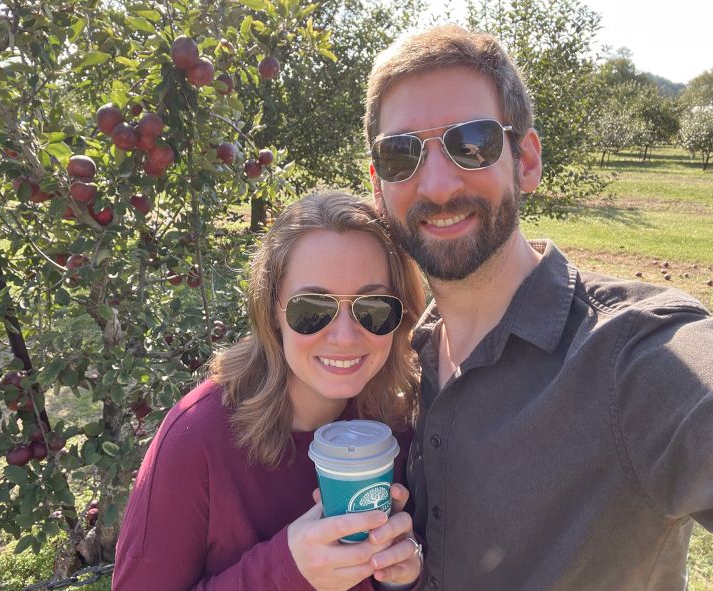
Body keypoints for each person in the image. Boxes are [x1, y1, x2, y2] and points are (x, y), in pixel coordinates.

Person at [365, 24, 713, 591]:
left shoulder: (633, 356)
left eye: (471, 143)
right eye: (401, 154)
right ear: (379, 187)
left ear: (525, 160)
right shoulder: (398, 359)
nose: (437, 185)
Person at [113, 191, 427, 590]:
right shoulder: (197, 439)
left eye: (373, 307)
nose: (346, 337)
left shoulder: (396, 422)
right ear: (272, 311)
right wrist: (286, 570)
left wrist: (401, 575)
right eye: (312, 309)